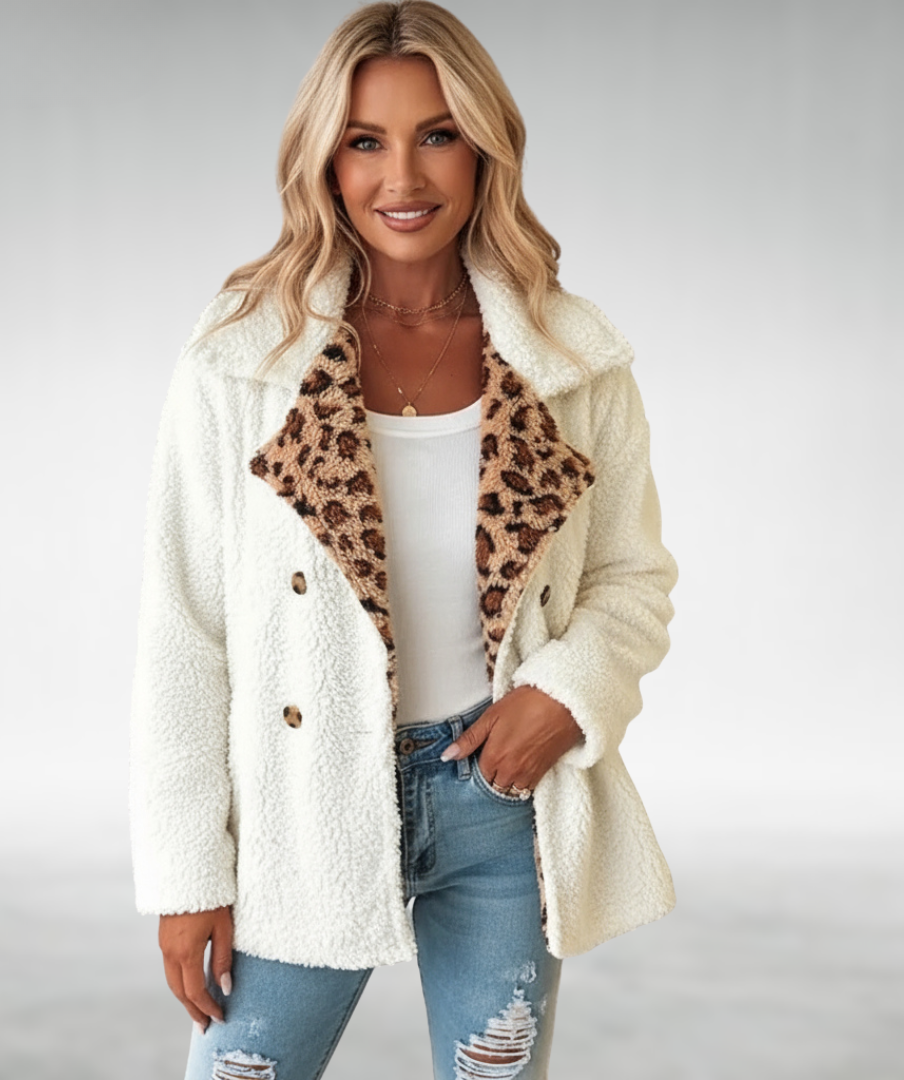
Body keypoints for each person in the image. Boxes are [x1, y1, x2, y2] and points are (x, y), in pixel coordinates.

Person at [129, 3, 678, 1078]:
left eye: (437, 135)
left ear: (484, 149)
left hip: (499, 803)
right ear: (325, 163)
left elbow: (632, 577)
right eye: (365, 141)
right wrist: (187, 874)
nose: (403, 177)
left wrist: (563, 696)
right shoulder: (246, 357)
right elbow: (184, 627)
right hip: (300, 803)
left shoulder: (568, 359)